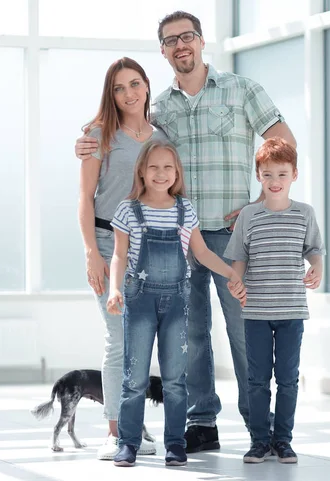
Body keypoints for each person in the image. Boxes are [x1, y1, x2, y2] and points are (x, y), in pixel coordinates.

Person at [75, 10, 296, 453]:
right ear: (162, 51)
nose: (181, 45)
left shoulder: (241, 90)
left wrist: (260, 203)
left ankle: (262, 427)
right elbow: (121, 140)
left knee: (243, 331)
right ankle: (201, 422)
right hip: (176, 239)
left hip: (232, 237)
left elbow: (282, 143)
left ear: (200, 41)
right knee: (190, 335)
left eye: (188, 36)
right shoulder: (161, 113)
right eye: (171, 40)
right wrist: (85, 140)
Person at [105, 139, 246, 467]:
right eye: (153, 167)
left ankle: (174, 444)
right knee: (134, 378)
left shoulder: (185, 209)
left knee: (174, 380)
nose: (161, 173)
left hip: (176, 306)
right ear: (142, 170)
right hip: (139, 302)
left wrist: (231, 274)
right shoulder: (128, 209)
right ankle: (127, 443)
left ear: (177, 173)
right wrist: (114, 290)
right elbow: (119, 255)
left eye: (168, 167)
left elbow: (203, 253)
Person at [78, 57, 167, 460]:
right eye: (118, 88)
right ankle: (115, 431)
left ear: (147, 86)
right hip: (105, 240)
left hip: (149, 246)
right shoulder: (99, 134)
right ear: (110, 95)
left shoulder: (160, 135)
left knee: (141, 341)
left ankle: (133, 422)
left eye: (134, 84)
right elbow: (84, 198)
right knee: (118, 339)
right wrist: (91, 253)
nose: (128, 93)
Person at [224, 137, 325, 464]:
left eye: (282, 174)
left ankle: (282, 440)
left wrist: (317, 269)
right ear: (259, 176)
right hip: (254, 311)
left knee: (287, 379)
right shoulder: (249, 216)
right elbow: (238, 258)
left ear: (294, 175)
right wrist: (235, 282)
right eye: (268, 175)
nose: (275, 181)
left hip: (292, 311)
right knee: (256, 379)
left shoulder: (304, 214)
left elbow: (314, 251)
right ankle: (258, 440)